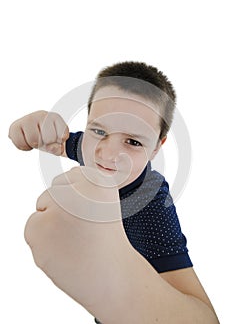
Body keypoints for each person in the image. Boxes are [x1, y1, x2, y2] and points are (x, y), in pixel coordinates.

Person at [9, 61, 219, 323]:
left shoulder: (151, 201)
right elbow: (54, 142)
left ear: (156, 148)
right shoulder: (88, 147)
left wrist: (112, 277)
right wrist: (27, 129)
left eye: (133, 142)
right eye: (99, 130)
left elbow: (207, 318)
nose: (106, 154)